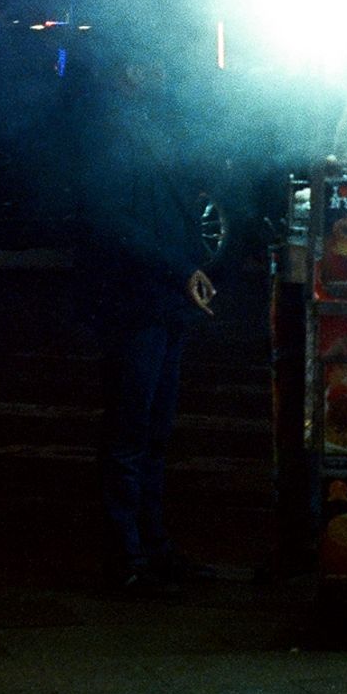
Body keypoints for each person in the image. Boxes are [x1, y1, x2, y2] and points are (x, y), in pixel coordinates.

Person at [77, 52, 216, 595]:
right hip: (132, 302)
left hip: (164, 300)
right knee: (130, 434)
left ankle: (152, 547)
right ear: (130, 70)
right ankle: (125, 557)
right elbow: (112, 221)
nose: (164, 74)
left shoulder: (156, 124)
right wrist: (180, 269)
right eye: (153, 65)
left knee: (154, 433)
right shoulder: (106, 129)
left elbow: (184, 206)